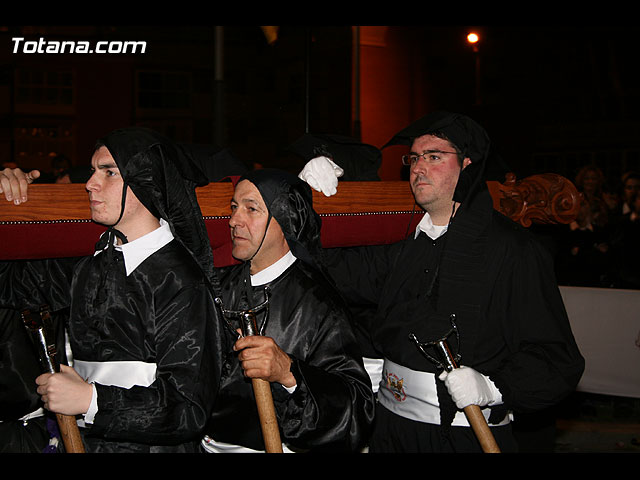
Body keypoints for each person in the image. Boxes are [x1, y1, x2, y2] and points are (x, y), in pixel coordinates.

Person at [310, 111, 585, 452]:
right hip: (389, 431)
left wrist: (494, 387)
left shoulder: (514, 250)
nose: (417, 167)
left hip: (462, 436)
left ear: (467, 165)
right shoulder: (403, 246)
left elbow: (558, 358)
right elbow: (327, 270)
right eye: (414, 158)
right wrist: (309, 199)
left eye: (434, 156)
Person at [0, 127, 224, 452]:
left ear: (145, 180)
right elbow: (10, 286)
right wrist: (7, 199)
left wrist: (91, 399)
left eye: (109, 172)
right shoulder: (91, 264)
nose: (90, 183)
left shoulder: (181, 281)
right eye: (93, 171)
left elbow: (188, 407)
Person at [201, 169, 375, 453]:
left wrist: (290, 374)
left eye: (251, 209)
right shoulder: (216, 287)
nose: (233, 221)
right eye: (233, 208)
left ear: (285, 219)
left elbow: (357, 409)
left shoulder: (318, 302)